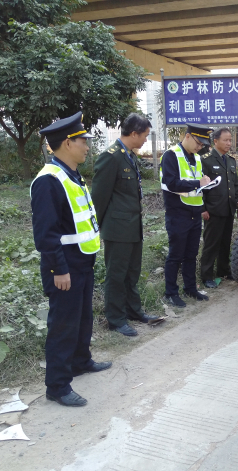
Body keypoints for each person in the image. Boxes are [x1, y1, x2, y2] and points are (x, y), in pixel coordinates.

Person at [31, 112, 111, 407]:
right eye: (83, 141)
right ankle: (58, 385)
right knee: (63, 324)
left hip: (82, 261)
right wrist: (58, 269)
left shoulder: (71, 175)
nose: (87, 146)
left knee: (82, 317)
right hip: (64, 265)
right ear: (67, 143)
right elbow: (46, 234)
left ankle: (80, 361)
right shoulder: (48, 181)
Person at [91, 114, 164, 337]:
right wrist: (99, 228)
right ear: (133, 134)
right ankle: (115, 319)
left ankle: (133, 310)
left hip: (133, 226)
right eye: (144, 135)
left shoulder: (129, 156)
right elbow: (99, 198)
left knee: (132, 273)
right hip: (117, 229)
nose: (145, 140)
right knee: (116, 275)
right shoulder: (111, 157)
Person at [160, 124, 212, 307]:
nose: (200, 147)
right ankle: (171, 292)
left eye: (203, 145)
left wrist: (206, 184)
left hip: (194, 213)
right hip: (178, 213)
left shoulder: (197, 158)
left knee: (191, 254)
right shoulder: (171, 155)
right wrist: (198, 183)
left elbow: (198, 185)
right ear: (188, 136)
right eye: (198, 143)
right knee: (175, 255)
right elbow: (171, 183)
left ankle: (190, 288)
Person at [200, 128, 238, 289]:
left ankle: (223, 270)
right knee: (211, 243)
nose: (229, 143)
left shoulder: (230, 160)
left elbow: (234, 184)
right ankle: (206, 275)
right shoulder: (206, 160)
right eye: (226, 140)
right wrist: (203, 208)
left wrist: (235, 201)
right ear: (215, 141)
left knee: (225, 242)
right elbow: (201, 187)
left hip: (228, 208)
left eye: (230, 140)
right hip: (213, 209)